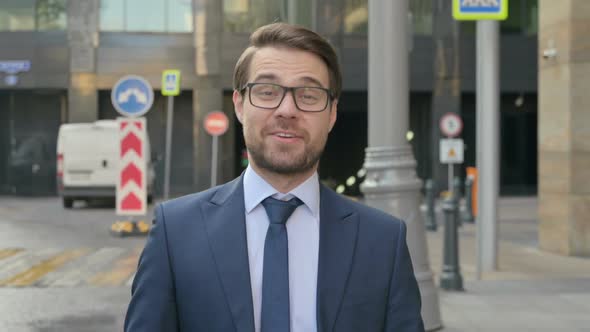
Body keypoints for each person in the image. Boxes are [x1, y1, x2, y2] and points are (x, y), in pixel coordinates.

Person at [124, 22, 424, 332]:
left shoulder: (383, 241)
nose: (287, 109)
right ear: (239, 106)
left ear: (332, 113)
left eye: (308, 95)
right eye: (267, 92)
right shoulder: (176, 232)